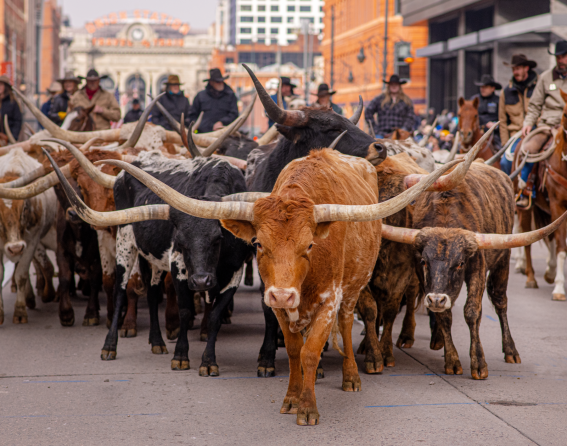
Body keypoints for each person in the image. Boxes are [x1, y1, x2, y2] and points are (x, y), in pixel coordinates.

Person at [518, 41, 567, 208]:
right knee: (529, 148)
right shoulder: (546, 78)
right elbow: (534, 105)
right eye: (558, 57)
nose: (561, 60)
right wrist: (528, 123)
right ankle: (526, 189)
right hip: (549, 124)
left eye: (563, 56)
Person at [498, 54, 539, 176]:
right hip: (515, 135)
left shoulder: (539, 86)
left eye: (518, 68)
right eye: (513, 69)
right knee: (505, 162)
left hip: (536, 132)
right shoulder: (506, 92)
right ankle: (509, 191)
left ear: (526, 68)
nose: (515, 72)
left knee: (538, 161)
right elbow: (502, 121)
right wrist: (505, 144)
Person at [189, 68, 238, 133]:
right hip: (203, 135)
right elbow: (192, 117)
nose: (221, 83)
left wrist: (222, 122)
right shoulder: (200, 96)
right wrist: (202, 127)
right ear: (211, 83)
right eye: (218, 81)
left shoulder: (230, 96)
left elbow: (234, 114)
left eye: (222, 81)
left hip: (225, 134)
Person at [472, 74, 502, 150]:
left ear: (493, 88)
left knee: (501, 151)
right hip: (475, 132)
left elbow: (504, 119)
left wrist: (495, 125)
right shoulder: (474, 99)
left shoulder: (499, 101)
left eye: (485, 87)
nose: (482, 89)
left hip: (494, 134)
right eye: (481, 87)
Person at [0, 76, 22, 140]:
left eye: (1, 85)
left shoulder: (12, 102)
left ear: (6, 87)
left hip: (9, 139)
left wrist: (12, 137)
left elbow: (17, 121)